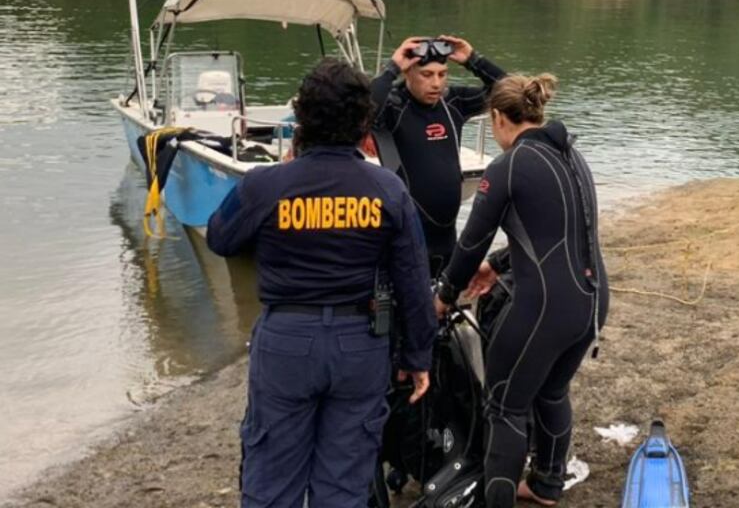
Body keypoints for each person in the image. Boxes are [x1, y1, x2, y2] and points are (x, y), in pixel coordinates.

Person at [207, 59, 437, 507]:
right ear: (363, 122)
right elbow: (413, 278)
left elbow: (220, 238)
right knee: (345, 479)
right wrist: (417, 355)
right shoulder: (387, 189)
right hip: (360, 343)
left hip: (286, 341)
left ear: (301, 118)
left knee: (272, 474)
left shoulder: (265, 185)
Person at [433, 74, 608, 508]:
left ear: (497, 117)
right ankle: (547, 484)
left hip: (545, 307)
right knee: (551, 390)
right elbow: (560, 235)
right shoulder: (574, 156)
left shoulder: (507, 167)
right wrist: (499, 264)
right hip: (592, 302)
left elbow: (470, 242)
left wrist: (443, 296)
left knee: (505, 405)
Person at [372, 34, 506, 275]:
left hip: (447, 240)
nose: (436, 83)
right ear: (408, 73)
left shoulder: (453, 101)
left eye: (442, 74)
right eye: (427, 75)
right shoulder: (392, 106)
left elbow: (509, 91)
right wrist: (392, 67)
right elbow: (362, 109)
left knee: (442, 310)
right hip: (406, 238)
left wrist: (473, 60)